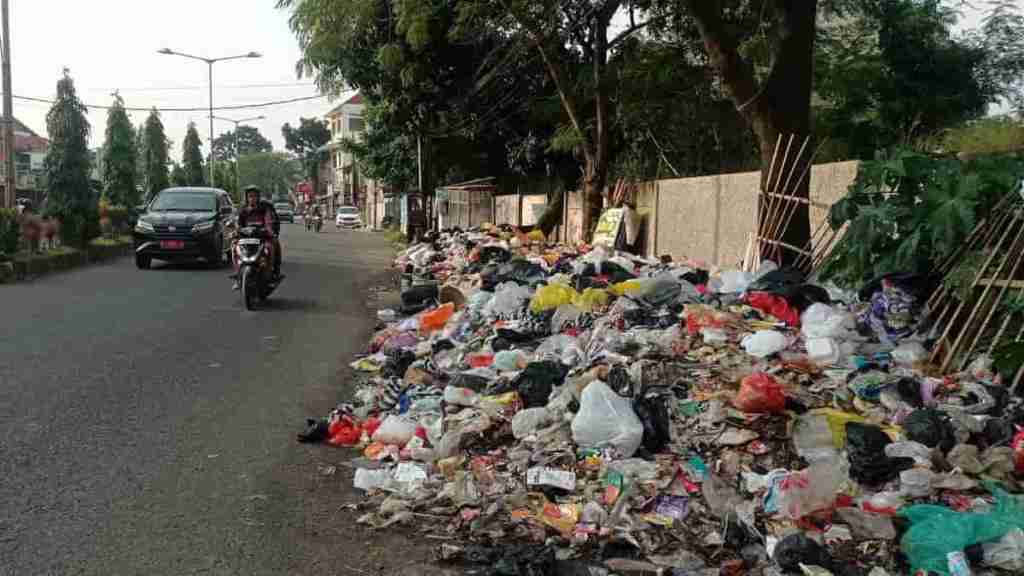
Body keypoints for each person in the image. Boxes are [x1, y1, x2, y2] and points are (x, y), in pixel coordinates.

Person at [232, 185, 282, 289]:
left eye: (254, 196)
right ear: (246, 198)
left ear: (258, 197)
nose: (252, 199)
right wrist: (236, 231)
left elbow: (268, 222)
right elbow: (238, 224)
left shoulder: (265, 208)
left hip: (262, 236)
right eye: (250, 196)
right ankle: (238, 275)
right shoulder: (243, 210)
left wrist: (270, 231)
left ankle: (274, 272)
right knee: (234, 246)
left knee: (273, 245)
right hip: (246, 238)